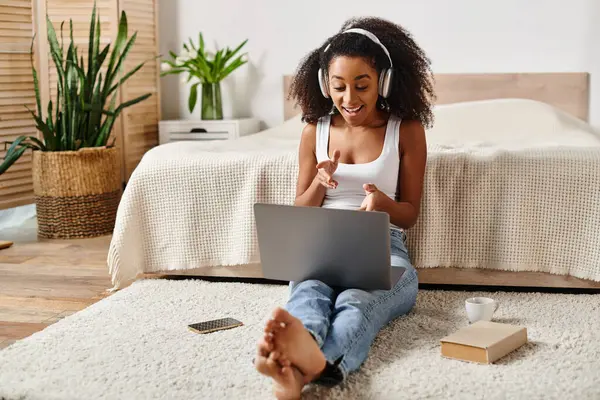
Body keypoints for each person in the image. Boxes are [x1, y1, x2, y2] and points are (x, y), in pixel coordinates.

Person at [254, 16, 434, 399]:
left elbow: (410, 214)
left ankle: (301, 370)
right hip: (321, 245)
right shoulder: (313, 131)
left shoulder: (407, 129)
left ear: (382, 82)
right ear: (325, 85)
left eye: (362, 86)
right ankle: (303, 365)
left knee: (356, 301)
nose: (350, 99)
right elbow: (300, 211)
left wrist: (383, 204)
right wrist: (320, 182)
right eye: (339, 87)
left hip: (386, 248)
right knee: (309, 295)